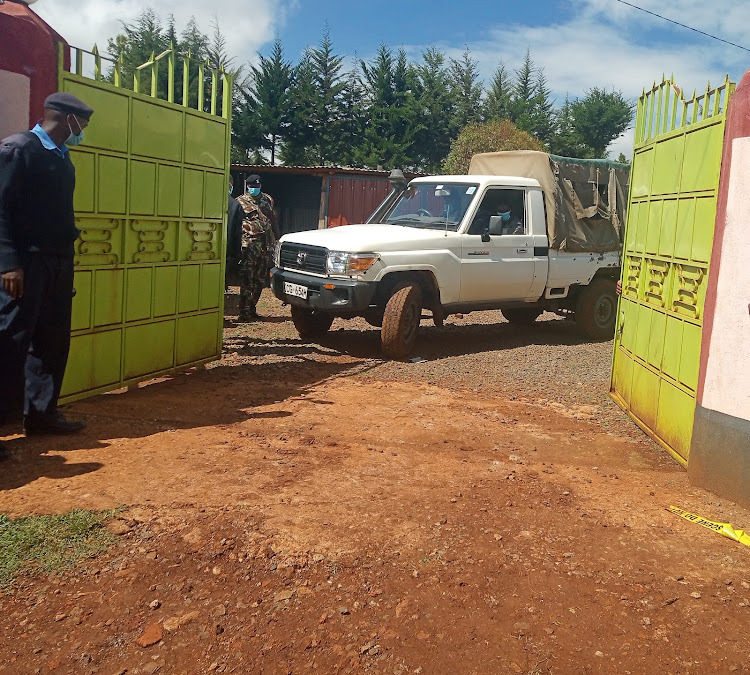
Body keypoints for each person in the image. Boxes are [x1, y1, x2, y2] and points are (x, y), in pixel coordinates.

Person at [0, 92, 93, 458]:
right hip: (23, 265)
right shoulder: (17, 149)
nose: (83, 130)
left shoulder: (61, 156)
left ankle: (41, 415)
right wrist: (8, 262)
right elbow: (1, 210)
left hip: (56, 263)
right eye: (82, 124)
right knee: (10, 343)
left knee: (52, 341)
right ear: (65, 118)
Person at [235, 174, 278, 321]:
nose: (255, 189)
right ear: (247, 187)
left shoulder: (267, 200)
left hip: (265, 246)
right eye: (252, 187)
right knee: (248, 279)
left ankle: (252, 309)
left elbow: (273, 220)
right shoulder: (240, 202)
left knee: (260, 280)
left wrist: (277, 238)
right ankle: (244, 312)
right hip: (249, 245)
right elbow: (235, 225)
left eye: (257, 187)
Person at [225, 175, 243, 289]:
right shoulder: (235, 205)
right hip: (227, 249)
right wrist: (236, 253)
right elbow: (237, 233)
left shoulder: (206, 200)